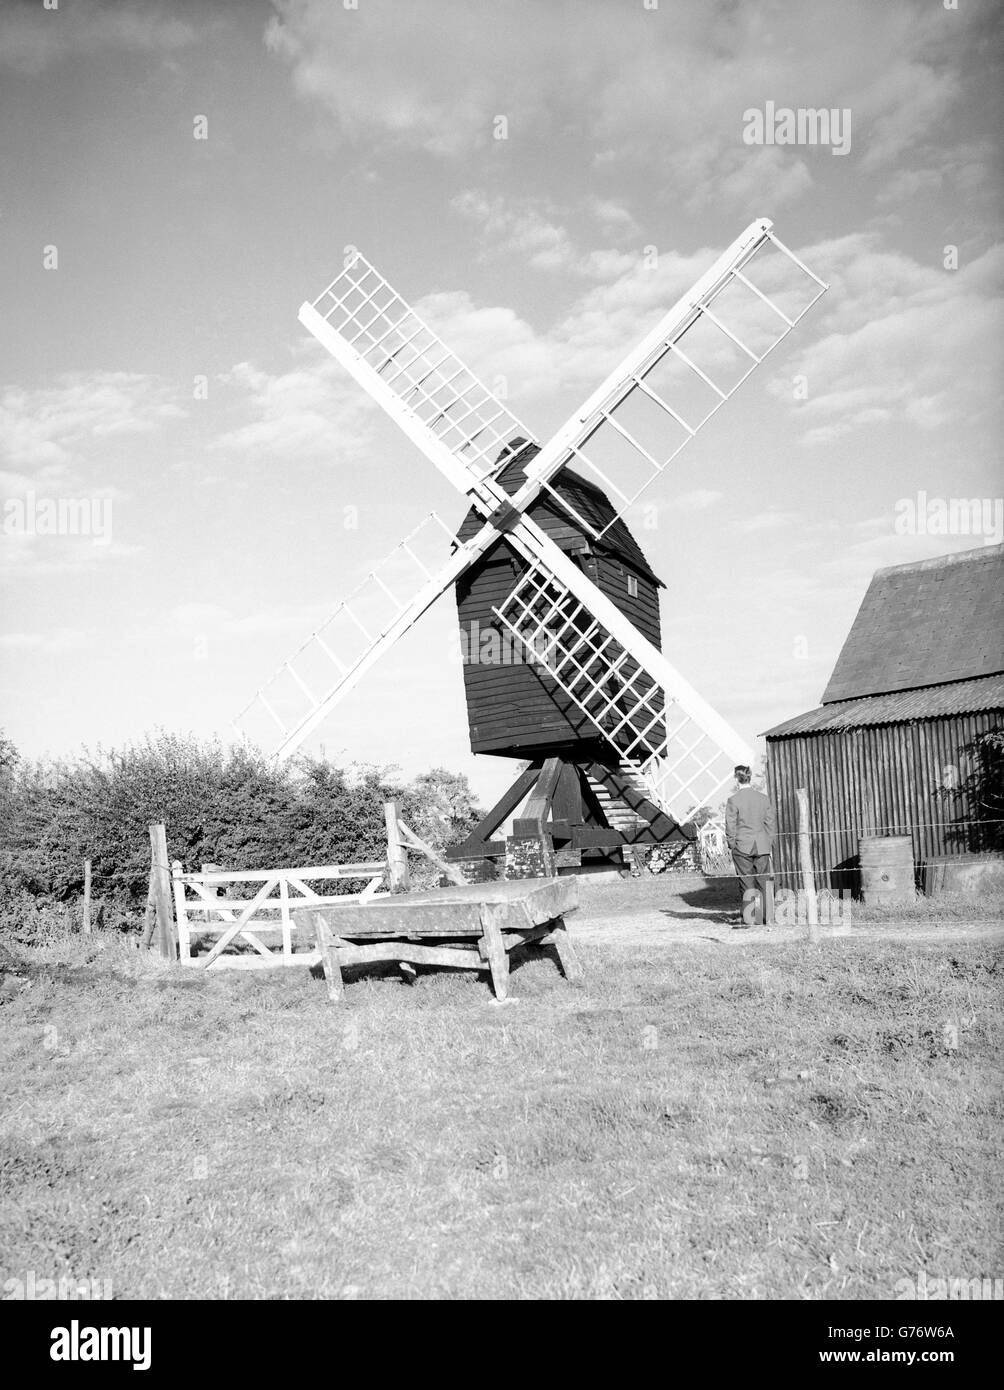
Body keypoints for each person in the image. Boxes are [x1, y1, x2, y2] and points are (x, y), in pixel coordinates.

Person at [724, 765, 776, 928]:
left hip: (742, 846)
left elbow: (730, 825)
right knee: (764, 880)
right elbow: (770, 823)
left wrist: (732, 844)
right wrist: (768, 842)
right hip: (761, 846)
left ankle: (751, 918)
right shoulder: (763, 798)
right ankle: (768, 917)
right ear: (750, 777)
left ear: (736, 778)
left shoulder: (733, 800)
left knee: (746, 881)